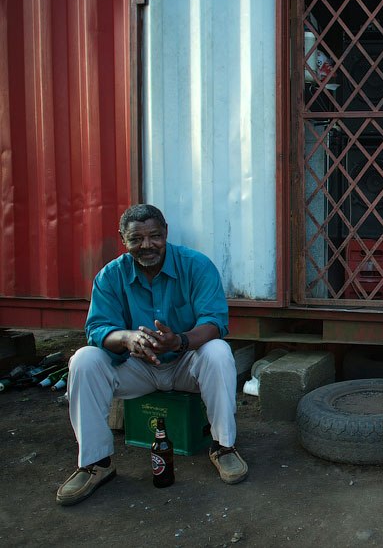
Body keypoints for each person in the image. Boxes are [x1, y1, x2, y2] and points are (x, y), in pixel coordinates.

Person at [56, 204, 248, 506]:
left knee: (218, 351)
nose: (147, 245)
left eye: (154, 236)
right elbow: (97, 329)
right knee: (84, 359)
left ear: (166, 233)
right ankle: (95, 463)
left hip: (185, 363)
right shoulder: (110, 276)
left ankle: (224, 447)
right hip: (136, 367)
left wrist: (179, 341)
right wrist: (127, 337)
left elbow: (215, 322)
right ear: (123, 239)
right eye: (136, 239)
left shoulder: (196, 266)